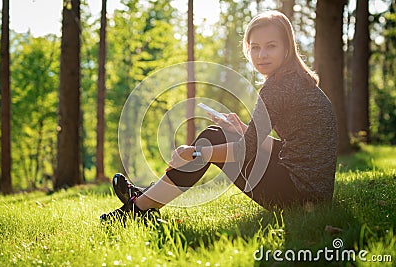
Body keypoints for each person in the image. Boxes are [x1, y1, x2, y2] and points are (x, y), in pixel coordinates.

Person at [100, 10, 338, 222]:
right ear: (247, 49)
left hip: (299, 197)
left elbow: (248, 150)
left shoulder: (279, 86)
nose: (262, 54)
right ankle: (146, 198)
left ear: (287, 47)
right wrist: (244, 130)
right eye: (255, 47)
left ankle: (138, 208)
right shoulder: (294, 80)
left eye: (271, 46)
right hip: (310, 193)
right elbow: (287, 148)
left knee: (211, 140)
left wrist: (196, 153)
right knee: (219, 133)